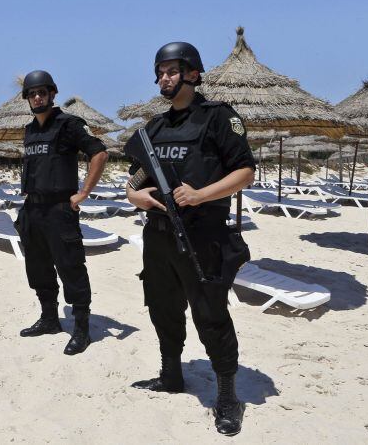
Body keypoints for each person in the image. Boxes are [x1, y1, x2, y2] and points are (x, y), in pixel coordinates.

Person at [125, 42, 256, 436]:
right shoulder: (154, 127)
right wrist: (133, 195)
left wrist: (201, 194)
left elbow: (245, 171)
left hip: (202, 234)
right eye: (160, 71)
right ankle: (170, 374)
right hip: (159, 236)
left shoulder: (219, 118)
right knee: (162, 307)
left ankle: (228, 395)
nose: (164, 77)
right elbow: (136, 176)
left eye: (172, 71)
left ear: (193, 74)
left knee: (210, 314)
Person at [14, 70, 108, 355]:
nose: (38, 97)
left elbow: (100, 153)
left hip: (59, 209)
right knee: (38, 267)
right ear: (28, 99)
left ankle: (81, 329)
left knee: (71, 267)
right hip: (33, 208)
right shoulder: (30, 129)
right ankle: (49, 319)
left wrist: (83, 193)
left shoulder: (69, 124)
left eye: (42, 92)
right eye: (32, 94)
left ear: (52, 94)